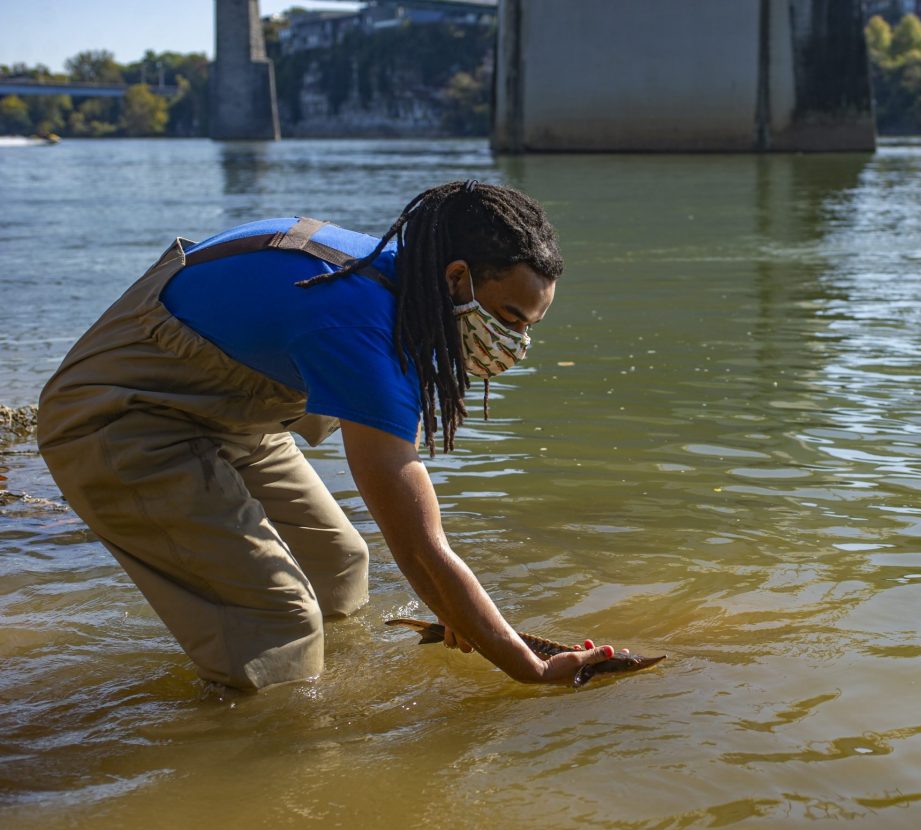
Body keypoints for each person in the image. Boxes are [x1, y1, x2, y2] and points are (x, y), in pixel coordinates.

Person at [37, 180, 615, 690]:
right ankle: (257, 747)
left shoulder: (399, 280)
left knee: (338, 563)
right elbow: (419, 547)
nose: (515, 342)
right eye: (511, 318)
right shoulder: (359, 325)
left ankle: (299, 682)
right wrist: (529, 669)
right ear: (457, 277)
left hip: (230, 415)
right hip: (122, 417)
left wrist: (465, 617)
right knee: (277, 618)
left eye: (530, 326)